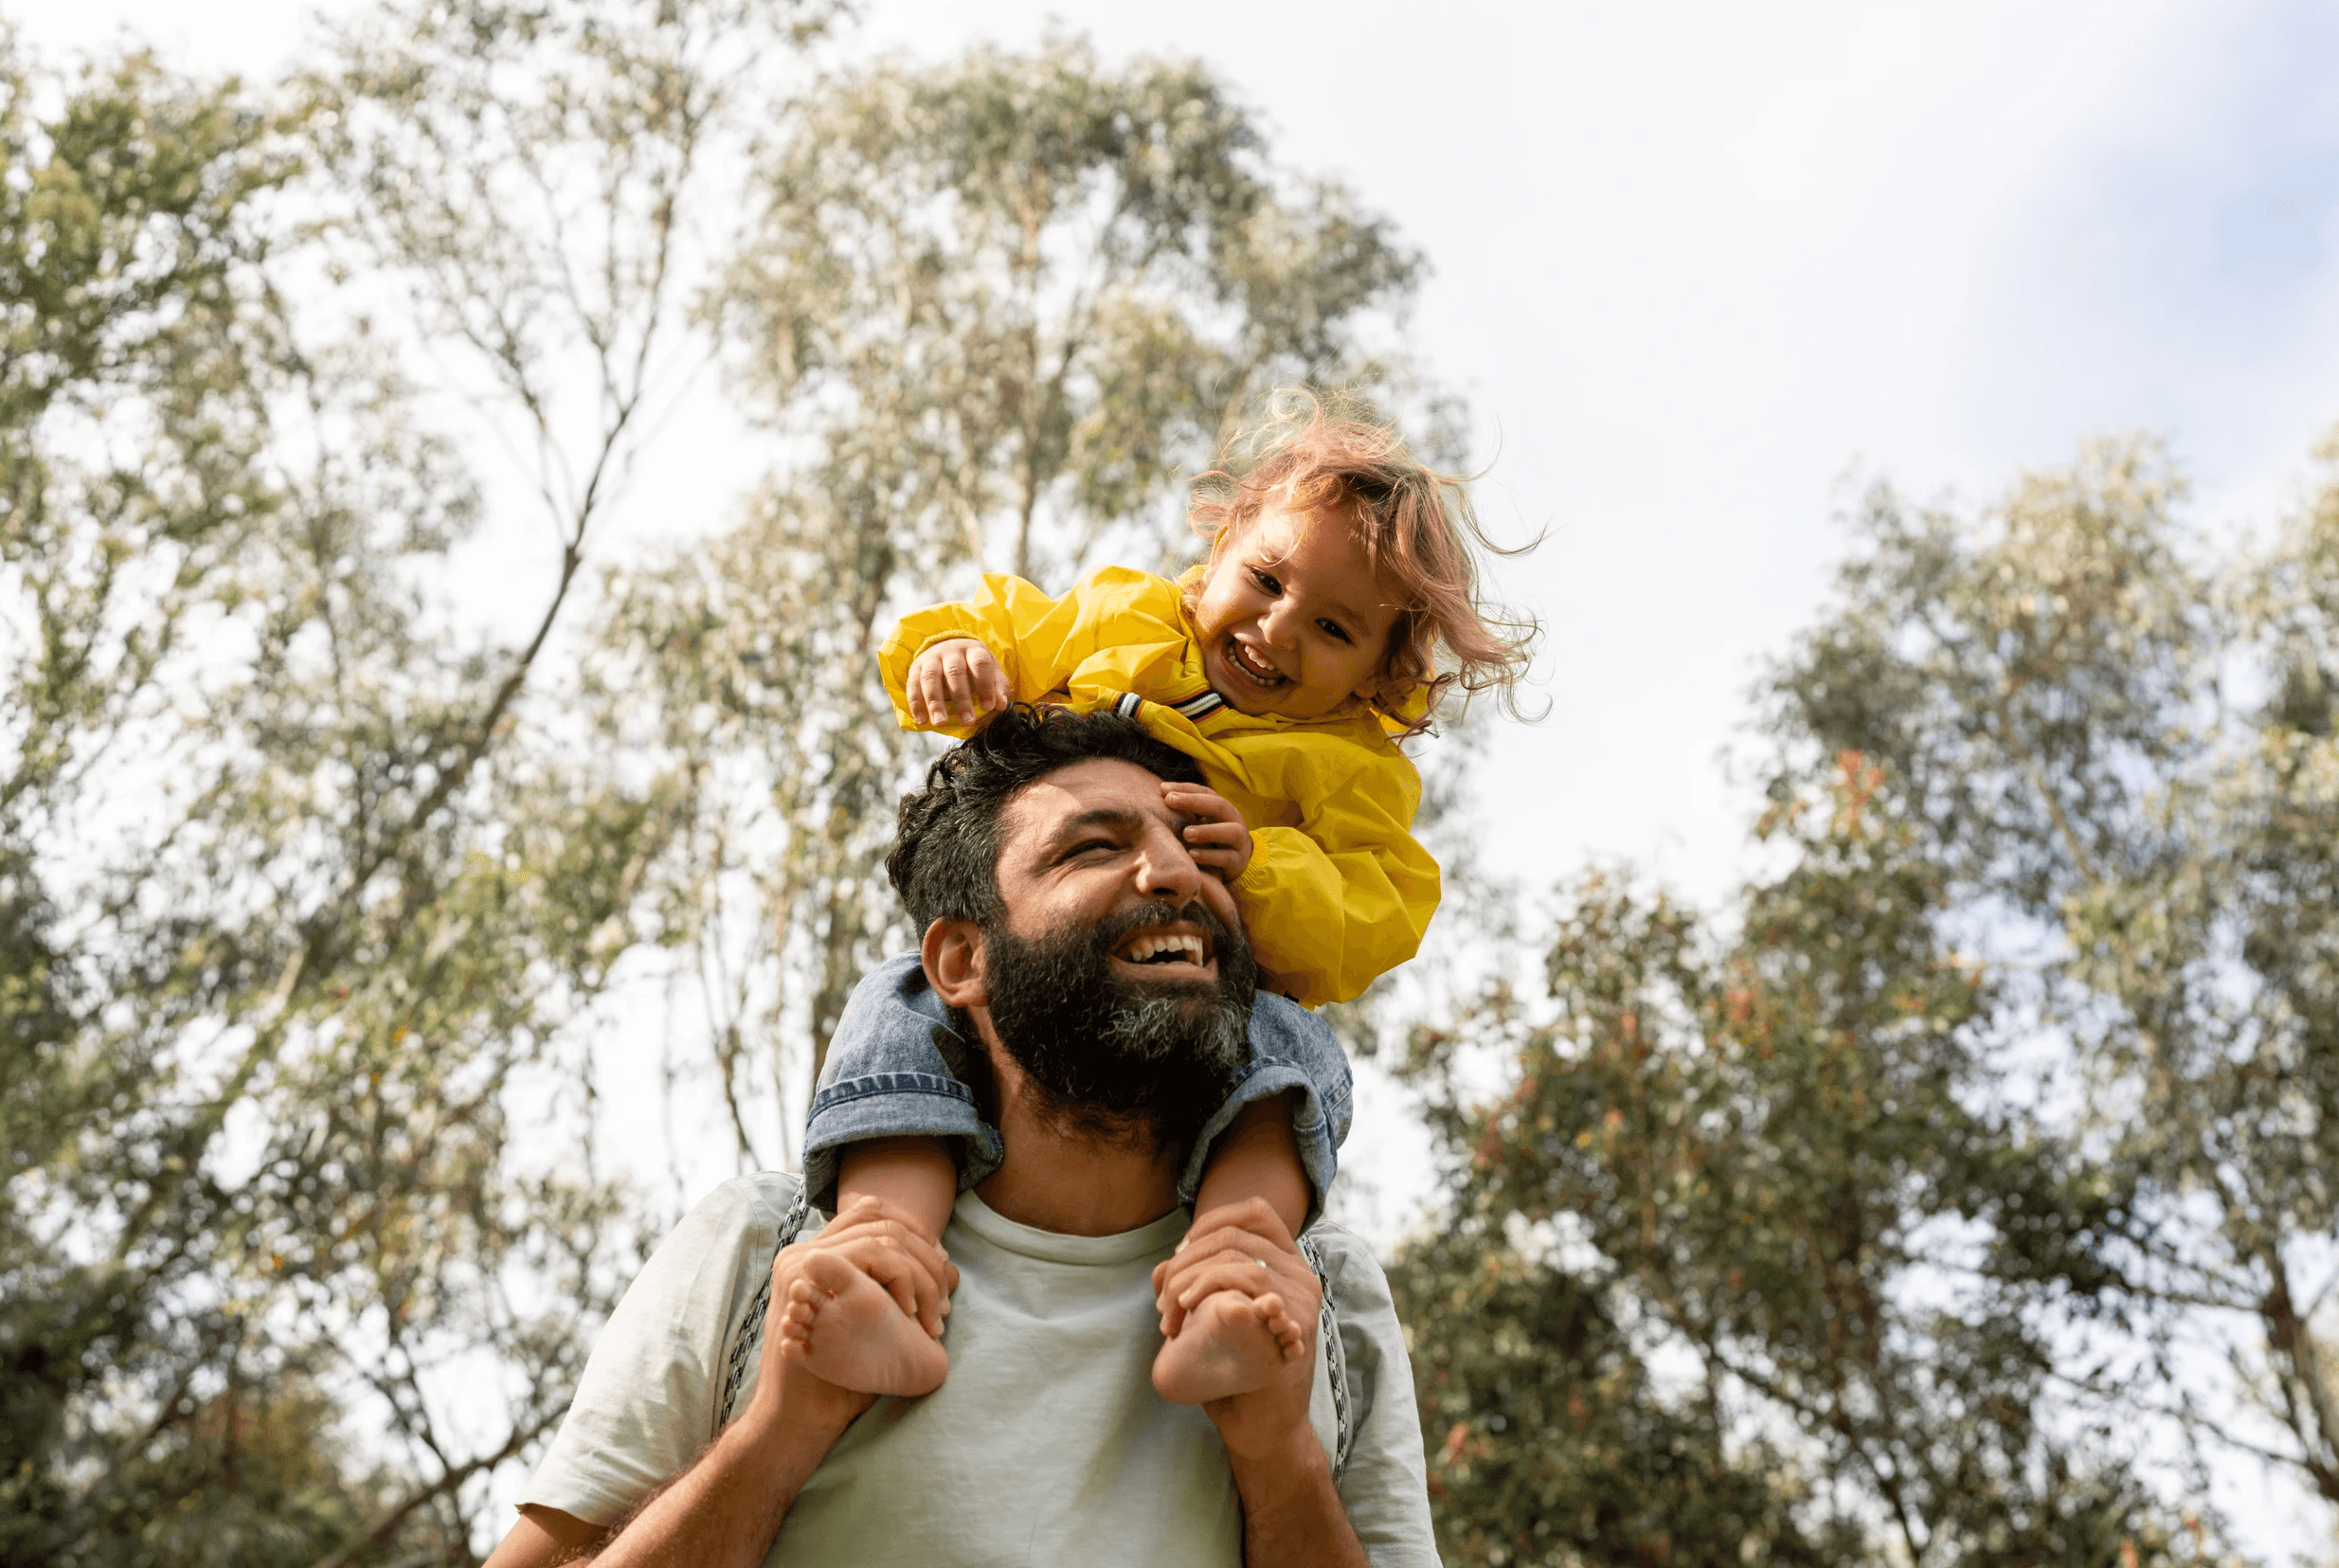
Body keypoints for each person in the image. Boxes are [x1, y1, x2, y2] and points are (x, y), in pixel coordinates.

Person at [484, 707, 1437, 1567]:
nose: (1178, 872)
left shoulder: (1323, 1297)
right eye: (1093, 846)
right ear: (959, 959)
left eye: (1198, 846)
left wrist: (1279, 1458)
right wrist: (780, 1427)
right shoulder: (768, 1251)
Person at [802, 389, 1538, 1406]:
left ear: (1380, 672)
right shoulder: (1124, 617)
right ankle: (881, 1250)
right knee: (903, 1003)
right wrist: (947, 654)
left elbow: (1382, 907)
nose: (1278, 629)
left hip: (1214, 1005)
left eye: (1331, 628)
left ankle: (1234, 1271)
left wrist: (1262, 864)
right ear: (1223, 544)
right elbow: (1008, 622)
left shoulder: (1350, 768)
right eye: (1267, 579)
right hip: (1047, 971)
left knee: (1295, 1057)